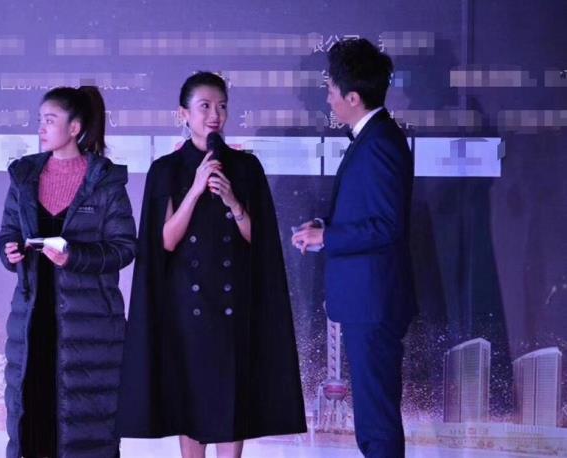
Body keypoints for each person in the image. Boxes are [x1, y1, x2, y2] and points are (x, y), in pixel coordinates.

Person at [118, 72, 305, 458]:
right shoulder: (166, 169)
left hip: (234, 306)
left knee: (232, 399)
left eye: (221, 106)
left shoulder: (246, 167)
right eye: (204, 106)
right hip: (186, 309)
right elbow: (164, 241)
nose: (214, 115)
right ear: (183, 115)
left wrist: (234, 203)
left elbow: (261, 242)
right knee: (190, 400)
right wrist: (195, 190)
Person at [291, 38, 417, 458]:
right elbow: (372, 214)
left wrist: (327, 238)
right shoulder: (373, 137)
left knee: (376, 422)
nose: (327, 98)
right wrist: (325, 227)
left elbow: (387, 225)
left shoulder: (379, 141)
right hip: (368, 300)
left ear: (353, 97)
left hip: (373, 302)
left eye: (331, 90)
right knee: (372, 419)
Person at [0, 86, 136, 458]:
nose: (41, 128)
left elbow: (124, 248)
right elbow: (8, 233)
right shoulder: (24, 177)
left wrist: (73, 256)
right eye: (40, 120)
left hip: (88, 329)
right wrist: (9, 251)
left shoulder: (105, 181)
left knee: (85, 432)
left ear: (74, 128)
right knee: (32, 424)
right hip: (32, 323)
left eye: (50, 120)